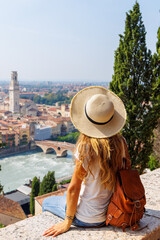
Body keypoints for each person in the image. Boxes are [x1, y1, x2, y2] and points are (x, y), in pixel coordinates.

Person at [42, 86, 130, 238]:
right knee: (64, 197)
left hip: (86, 218)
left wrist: (67, 223)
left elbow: (74, 189)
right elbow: (126, 173)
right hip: (112, 213)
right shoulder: (121, 142)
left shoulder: (85, 148)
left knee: (46, 202)